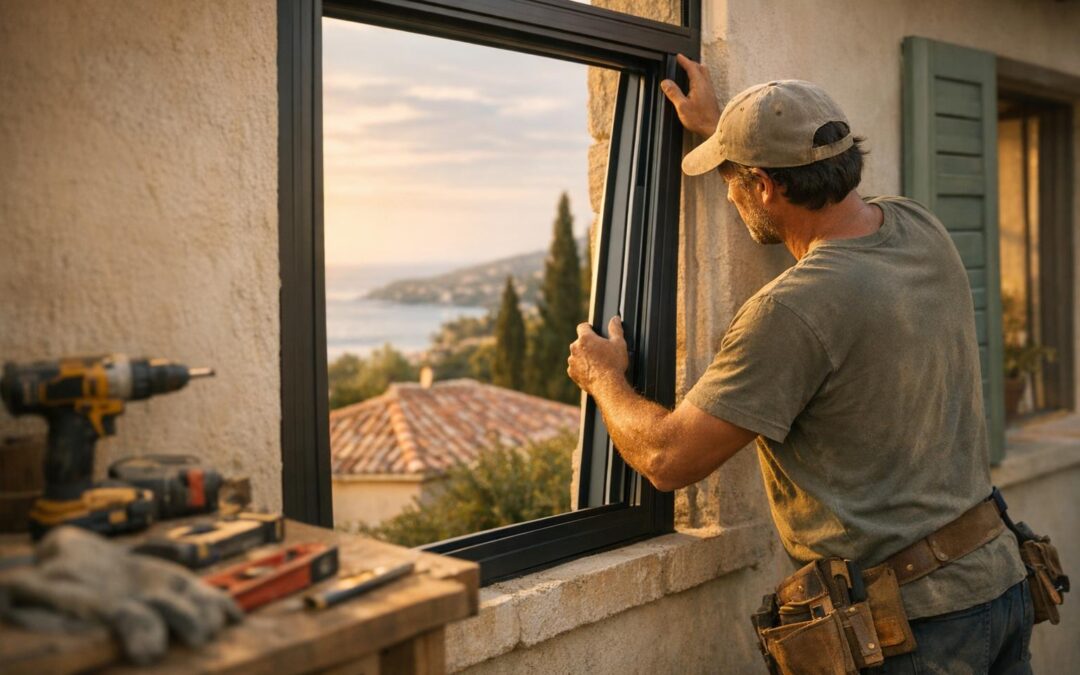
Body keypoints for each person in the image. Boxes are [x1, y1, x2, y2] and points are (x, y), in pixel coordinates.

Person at [566, 54, 1032, 673]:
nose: (729, 194)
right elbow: (822, 241)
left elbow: (667, 459)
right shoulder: (920, 227)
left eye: (735, 180)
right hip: (1000, 582)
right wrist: (723, 134)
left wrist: (603, 376)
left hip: (918, 633)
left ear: (764, 185)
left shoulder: (790, 312)